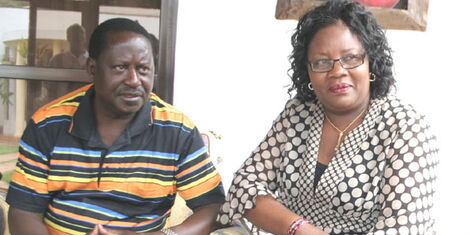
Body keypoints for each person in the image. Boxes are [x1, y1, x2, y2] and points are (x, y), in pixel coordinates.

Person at [217, 1, 438, 234]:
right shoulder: (298, 114)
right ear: (308, 72)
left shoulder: (405, 127)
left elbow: (404, 228)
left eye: (351, 58)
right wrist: (299, 229)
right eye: (322, 62)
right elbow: (244, 186)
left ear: (371, 63)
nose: (338, 71)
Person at [6, 18, 225, 235]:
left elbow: (213, 207)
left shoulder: (177, 130)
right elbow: (24, 212)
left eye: (143, 69)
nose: (134, 80)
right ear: (92, 68)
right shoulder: (48, 124)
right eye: (121, 67)